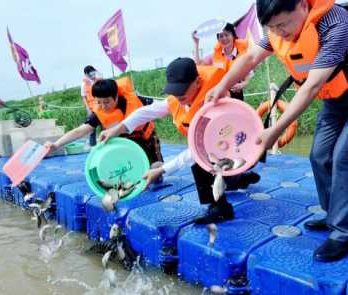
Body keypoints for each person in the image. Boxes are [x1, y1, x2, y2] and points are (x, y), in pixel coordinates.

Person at [206, 0, 348, 262]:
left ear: (304, 6)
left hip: (330, 89)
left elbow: (312, 86)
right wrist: (223, 85)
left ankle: (343, 232)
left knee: (343, 159)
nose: (279, 32)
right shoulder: (276, 30)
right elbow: (249, 57)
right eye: (273, 27)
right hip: (337, 98)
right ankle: (334, 215)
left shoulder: (335, 23)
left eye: (283, 24)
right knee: (319, 155)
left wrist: (275, 130)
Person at [99, 58, 260, 224]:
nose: (177, 95)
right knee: (209, 162)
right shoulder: (180, 98)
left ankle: (220, 208)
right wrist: (118, 128)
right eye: (174, 90)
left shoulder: (214, 101)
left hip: (239, 145)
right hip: (220, 149)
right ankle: (235, 179)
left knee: (199, 163)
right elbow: (147, 112)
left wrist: (162, 170)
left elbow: (198, 151)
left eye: (182, 89)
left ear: (198, 82)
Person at [46, 78, 163, 165]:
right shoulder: (98, 113)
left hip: (146, 140)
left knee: (156, 171)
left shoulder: (136, 101)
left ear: (116, 96)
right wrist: (56, 144)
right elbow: (80, 131)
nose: (103, 106)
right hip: (123, 146)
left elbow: (163, 106)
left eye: (107, 102)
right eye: (98, 102)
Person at [192, 22, 253, 100]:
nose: (224, 38)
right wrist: (196, 43)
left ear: (233, 36)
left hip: (236, 94)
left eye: (227, 35)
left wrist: (243, 84)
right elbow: (198, 64)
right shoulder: (214, 56)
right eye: (221, 36)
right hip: (219, 94)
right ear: (218, 39)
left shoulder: (242, 53)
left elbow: (249, 72)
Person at [81, 65, 102, 146]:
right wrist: (88, 109)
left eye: (93, 74)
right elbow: (84, 97)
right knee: (92, 128)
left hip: (101, 107)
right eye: (90, 75)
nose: (92, 76)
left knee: (103, 125)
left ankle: (105, 143)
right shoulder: (84, 84)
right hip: (92, 108)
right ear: (86, 75)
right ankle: (92, 145)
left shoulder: (99, 80)